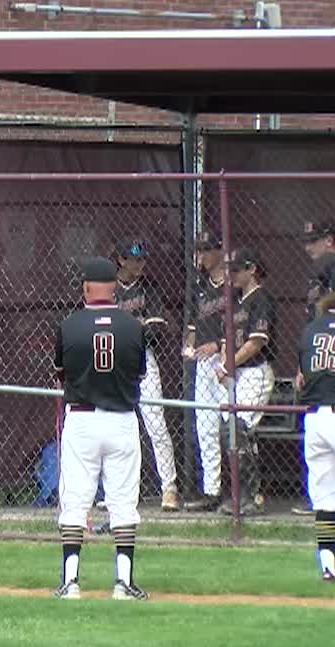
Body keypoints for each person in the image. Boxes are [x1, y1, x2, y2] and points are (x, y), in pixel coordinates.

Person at [53, 256, 147, 601]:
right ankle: (123, 583)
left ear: (86, 289)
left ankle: (71, 582)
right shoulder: (134, 326)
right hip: (121, 419)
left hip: (82, 418)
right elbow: (138, 375)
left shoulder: (69, 325)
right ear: (115, 288)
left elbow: (61, 373)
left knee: (75, 501)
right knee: (123, 503)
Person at [112, 239, 180, 511]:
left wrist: (126, 330)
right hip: (114, 363)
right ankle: (124, 491)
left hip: (143, 359)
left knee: (156, 423)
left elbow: (154, 330)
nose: (140, 264)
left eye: (142, 259)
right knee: (118, 427)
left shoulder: (150, 287)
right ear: (121, 260)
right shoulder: (109, 289)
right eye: (134, 259)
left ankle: (169, 489)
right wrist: (135, 327)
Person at [211, 248, 276, 516]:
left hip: (255, 371)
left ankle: (251, 495)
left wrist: (229, 364)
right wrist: (225, 366)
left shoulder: (262, 299)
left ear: (252, 270)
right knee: (229, 430)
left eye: (237, 269)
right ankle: (242, 495)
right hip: (236, 373)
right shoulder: (236, 301)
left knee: (238, 428)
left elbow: (256, 343)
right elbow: (228, 339)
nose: (232, 274)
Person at [296, 265, 335, 583]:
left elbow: (301, 378)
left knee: (326, 498)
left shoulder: (312, 328)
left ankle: (327, 565)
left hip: (314, 420)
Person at [183, 234, 230, 511]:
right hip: (203, 363)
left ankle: (247, 492)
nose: (200, 257)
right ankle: (212, 491)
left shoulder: (232, 285)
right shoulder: (199, 285)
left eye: (205, 250)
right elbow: (191, 327)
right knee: (206, 427)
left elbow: (241, 328)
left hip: (228, 361)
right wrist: (188, 347)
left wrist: (219, 345)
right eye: (198, 250)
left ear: (219, 251)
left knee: (235, 426)